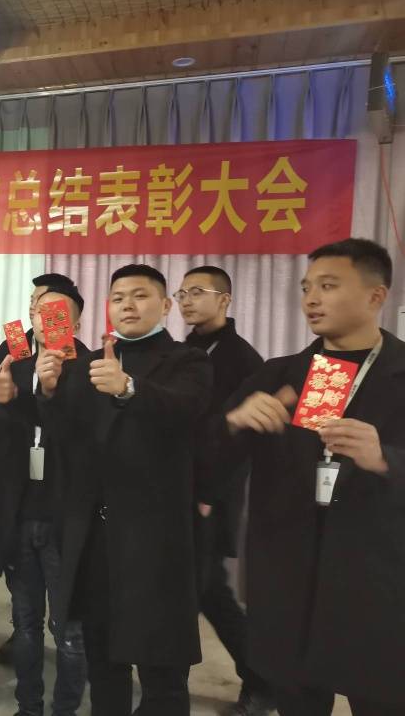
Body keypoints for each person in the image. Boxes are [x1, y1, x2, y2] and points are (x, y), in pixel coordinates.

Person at [220, 238, 405, 715]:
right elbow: (207, 460)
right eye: (306, 288)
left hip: (376, 587)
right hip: (289, 584)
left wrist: (385, 458)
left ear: (376, 296)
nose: (311, 299)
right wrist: (234, 422)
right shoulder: (280, 375)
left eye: (328, 286)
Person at [37, 264, 212, 716]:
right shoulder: (87, 364)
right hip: (96, 539)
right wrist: (50, 392)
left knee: (162, 671)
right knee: (104, 664)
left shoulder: (187, 361)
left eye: (140, 296)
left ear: (165, 305)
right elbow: (66, 439)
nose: (127, 305)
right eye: (118, 298)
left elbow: (186, 409)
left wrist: (129, 388)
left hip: (154, 541)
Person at [0, 274, 89, 716]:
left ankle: (65, 708)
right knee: (24, 623)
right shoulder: (14, 357)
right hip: (19, 511)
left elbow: (89, 439)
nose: (45, 316)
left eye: (57, 311)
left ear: (77, 322)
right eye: (38, 309)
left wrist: (50, 392)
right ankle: (28, 706)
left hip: (67, 517)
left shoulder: (92, 367)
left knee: (69, 630)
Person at [174, 266, 273, 716]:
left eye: (197, 292)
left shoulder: (241, 359)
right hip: (181, 486)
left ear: (225, 299)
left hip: (211, 495)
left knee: (207, 592)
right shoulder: (186, 350)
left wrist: (209, 495)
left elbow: (242, 442)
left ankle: (261, 681)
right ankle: (260, 679)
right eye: (182, 293)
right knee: (204, 591)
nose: (187, 300)